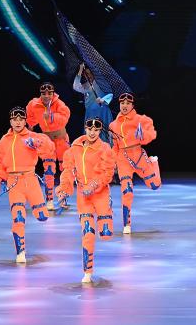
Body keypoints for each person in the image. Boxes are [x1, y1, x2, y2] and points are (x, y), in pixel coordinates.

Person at [56, 117, 117, 283]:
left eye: (96, 130)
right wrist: (64, 190)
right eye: (90, 129)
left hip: (100, 193)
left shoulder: (104, 149)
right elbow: (68, 171)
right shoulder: (74, 148)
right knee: (88, 233)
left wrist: (94, 184)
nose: (92, 132)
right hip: (83, 195)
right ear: (85, 128)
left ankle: (107, 215)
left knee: (105, 234)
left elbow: (108, 173)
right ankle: (87, 272)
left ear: (99, 131)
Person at [0, 107, 55, 263]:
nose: (18, 122)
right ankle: (20, 252)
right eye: (15, 120)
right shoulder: (4, 141)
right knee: (18, 218)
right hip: (14, 183)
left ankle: (41, 210)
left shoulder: (32, 137)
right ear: (10, 121)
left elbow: (49, 149)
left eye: (21, 119)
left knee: (42, 216)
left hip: (30, 180)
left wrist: (38, 143)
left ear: (25, 121)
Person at [109, 93, 161, 234]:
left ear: (132, 105)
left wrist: (143, 134)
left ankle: (154, 163)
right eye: (122, 103)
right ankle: (126, 224)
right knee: (127, 191)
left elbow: (152, 134)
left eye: (128, 103)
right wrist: (113, 162)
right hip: (123, 159)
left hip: (138, 156)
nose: (125, 106)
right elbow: (115, 146)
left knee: (155, 185)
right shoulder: (113, 125)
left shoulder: (140, 120)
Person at [26, 81, 71, 210]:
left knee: (65, 169)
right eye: (44, 94)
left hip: (61, 140)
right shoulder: (34, 104)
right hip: (47, 142)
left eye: (49, 94)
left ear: (53, 94)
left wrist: (51, 116)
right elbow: (30, 120)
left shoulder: (59, 104)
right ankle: (49, 199)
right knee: (49, 170)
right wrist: (29, 132)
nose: (46, 96)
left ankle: (63, 197)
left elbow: (65, 117)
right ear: (40, 94)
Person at [72, 64, 114, 145]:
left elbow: (110, 93)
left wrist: (103, 100)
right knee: (90, 133)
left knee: (105, 134)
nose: (89, 75)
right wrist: (80, 70)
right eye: (86, 74)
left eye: (90, 73)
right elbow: (75, 86)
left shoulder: (101, 83)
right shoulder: (85, 85)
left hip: (102, 112)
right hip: (90, 114)